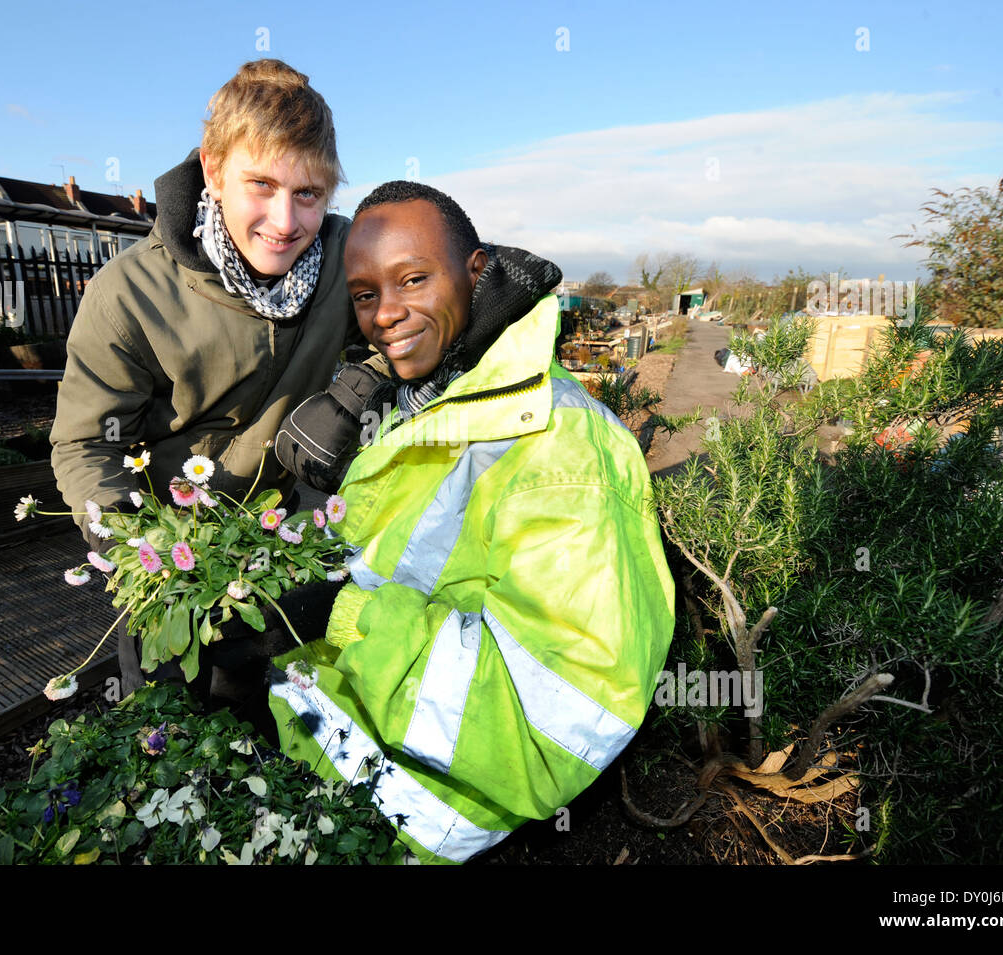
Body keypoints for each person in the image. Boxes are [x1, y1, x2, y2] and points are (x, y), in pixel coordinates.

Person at [267, 181, 677, 864]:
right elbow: (400, 567)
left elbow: (551, 726)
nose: (385, 315)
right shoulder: (429, 400)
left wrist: (337, 615)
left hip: (399, 820)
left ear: (476, 271)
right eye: (366, 295)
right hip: (325, 749)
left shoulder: (564, 448)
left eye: (413, 279)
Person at [50, 59, 376, 700]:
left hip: (292, 549)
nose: (285, 221)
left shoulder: (345, 259)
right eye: (261, 184)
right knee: (172, 730)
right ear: (213, 169)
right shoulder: (130, 293)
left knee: (282, 721)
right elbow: (85, 444)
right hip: (175, 558)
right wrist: (134, 540)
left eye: (308, 193)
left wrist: (356, 390)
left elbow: (410, 330)